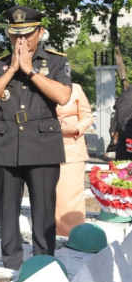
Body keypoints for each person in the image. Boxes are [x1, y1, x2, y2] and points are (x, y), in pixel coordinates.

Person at [0, 5, 72, 270]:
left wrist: (30, 71)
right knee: (8, 209)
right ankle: (11, 263)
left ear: (40, 32)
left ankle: (43, 264)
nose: (20, 40)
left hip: (42, 144)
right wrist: (11, 70)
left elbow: (63, 97)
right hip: (7, 142)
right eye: (14, 35)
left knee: (43, 209)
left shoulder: (55, 62)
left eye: (27, 34)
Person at [55, 83, 92, 237]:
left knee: (70, 197)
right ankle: (53, 234)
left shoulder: (75, 88)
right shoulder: (37, 86)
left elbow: (87, 116)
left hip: (72, 149)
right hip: (43, 148)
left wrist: (76, 128)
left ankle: (72, 236)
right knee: (50, 197)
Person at [113, 88, 132, 161]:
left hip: (122, 129)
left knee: (123, 158)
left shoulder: (123, 94)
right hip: (129, 127)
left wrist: (115, 129)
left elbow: (116, 112)